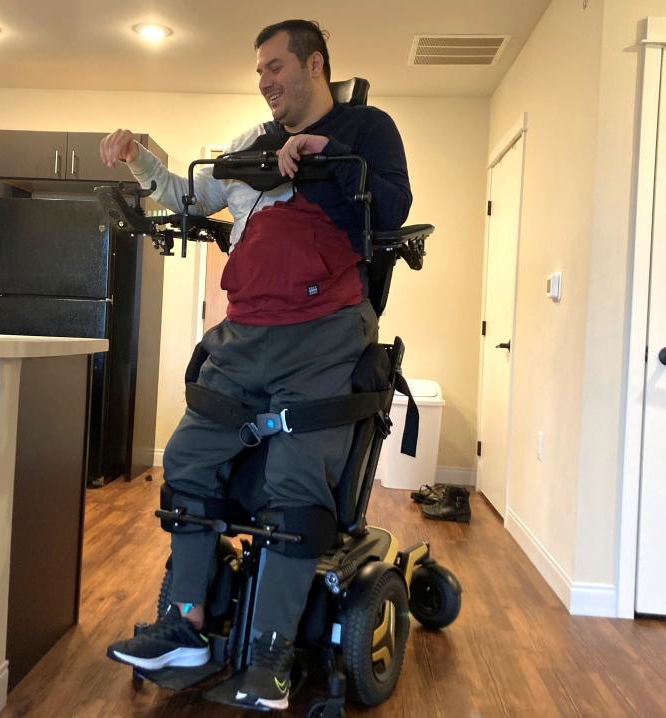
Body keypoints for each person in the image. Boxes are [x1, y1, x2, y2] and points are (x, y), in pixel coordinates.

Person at [99, 19, 411, 711]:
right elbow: (188, 197)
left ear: (315, 65)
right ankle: (186, 627)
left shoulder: (368, 128)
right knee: (187, 457)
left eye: (275, 67)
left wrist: (325, 153)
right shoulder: (247, 145)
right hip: (245, 332)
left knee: (298, 485)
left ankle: (271, 654)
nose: (265, 81)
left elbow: (394, 205)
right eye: (259, 71)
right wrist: (141, 161)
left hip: (325, 334)